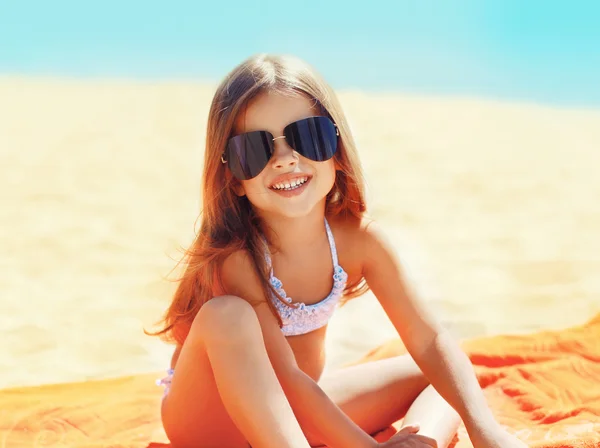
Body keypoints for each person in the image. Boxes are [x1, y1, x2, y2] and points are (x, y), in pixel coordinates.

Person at [146, 53, 527, 448]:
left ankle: (421, 443)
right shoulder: (236, 259)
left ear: (337, 147)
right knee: (227, 316)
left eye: (307, 136)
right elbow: (286, 380)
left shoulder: (360, 241)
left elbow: (430, 341)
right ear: (234, 178)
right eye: (255, 150)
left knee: (444, 373)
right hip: (211, 424)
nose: (285, 159)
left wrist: (486, 431)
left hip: (296, 411)